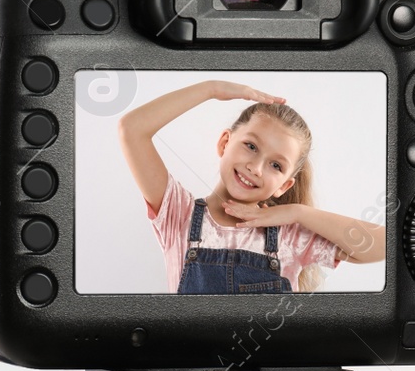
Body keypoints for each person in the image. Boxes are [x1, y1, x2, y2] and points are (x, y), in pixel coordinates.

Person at [117, 79, 385, 293]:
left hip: (270, 362)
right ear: (225, 142)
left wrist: (298, 213)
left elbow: (386, 244)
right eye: (251, 146)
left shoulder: (290, 236)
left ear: (284, 185)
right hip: (195, 362)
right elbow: (132, 129)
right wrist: (212, 89)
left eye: (276, 165)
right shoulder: (178, 213)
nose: (255, 168)